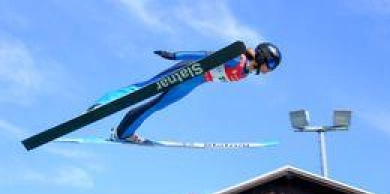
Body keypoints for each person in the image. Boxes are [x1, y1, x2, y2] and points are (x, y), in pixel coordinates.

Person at [88, 42, 282, 143]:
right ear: (263, 57)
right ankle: (101, 104)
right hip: (190, 70)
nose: (270, 69)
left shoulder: (245, 72)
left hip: (194, 83)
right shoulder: (236, 60)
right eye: (271, 64)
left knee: (155, 106)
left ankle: (123, 132)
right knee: (145, 88)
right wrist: (175, 56)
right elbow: (206, 56)